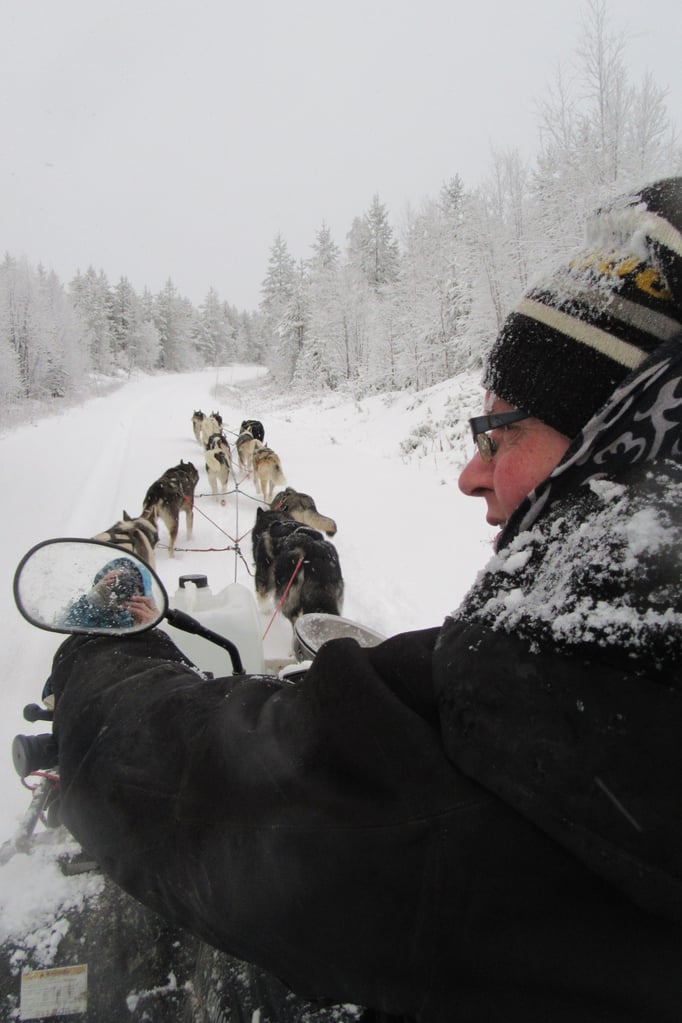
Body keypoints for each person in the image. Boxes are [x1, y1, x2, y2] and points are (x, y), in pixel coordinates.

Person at [46, 178, 682, 1021]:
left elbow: (233, 799)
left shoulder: (591, 691)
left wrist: (106, 654)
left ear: (632, 435)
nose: (470, 472)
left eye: (503, 431)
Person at [59, 556, 158, 630]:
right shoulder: (86, 610)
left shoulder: (144, 616)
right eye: (112, 583)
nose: (120, 589)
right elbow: (63, 625)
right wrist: (92, 601)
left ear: (144, 596)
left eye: (133, 587)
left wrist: (151, 626)